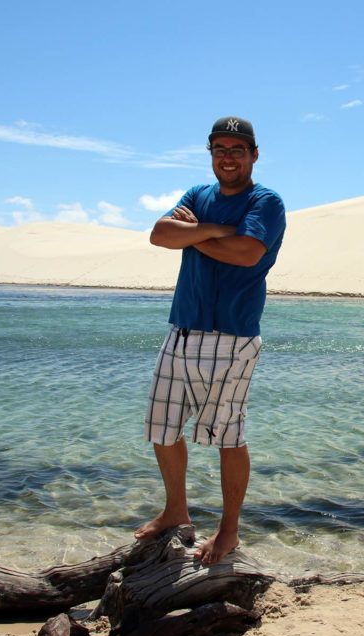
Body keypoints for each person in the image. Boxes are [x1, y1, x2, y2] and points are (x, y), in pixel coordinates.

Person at [136, 116, 286, 565]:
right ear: (211, 154)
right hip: (180, 330)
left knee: (228, 436)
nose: (228, 157)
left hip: (232, 335)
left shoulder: (266, 202)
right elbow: (160, 234)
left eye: (237, 149)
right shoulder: (198, 195)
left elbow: (246, 253)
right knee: (162, 429)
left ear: (254, 155)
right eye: (220, 149)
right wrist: (218, 230)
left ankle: (229, 531)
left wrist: (196, 234)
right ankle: (176, 511)